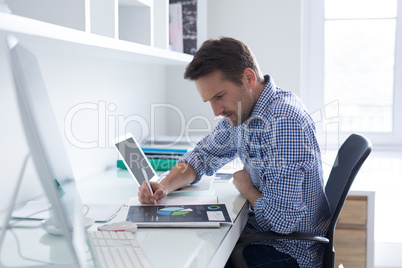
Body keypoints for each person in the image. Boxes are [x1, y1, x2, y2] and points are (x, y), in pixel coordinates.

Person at [138, 37, 331, 267]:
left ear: (248, 78)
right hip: (263, 235)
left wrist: (247, 188)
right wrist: (165, 185)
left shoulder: (284, 122)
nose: (216, 110)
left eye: (219, 96)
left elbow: (283, 221)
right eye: (209, 101)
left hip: (289, 252)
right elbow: (202, 155)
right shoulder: (243, 114)